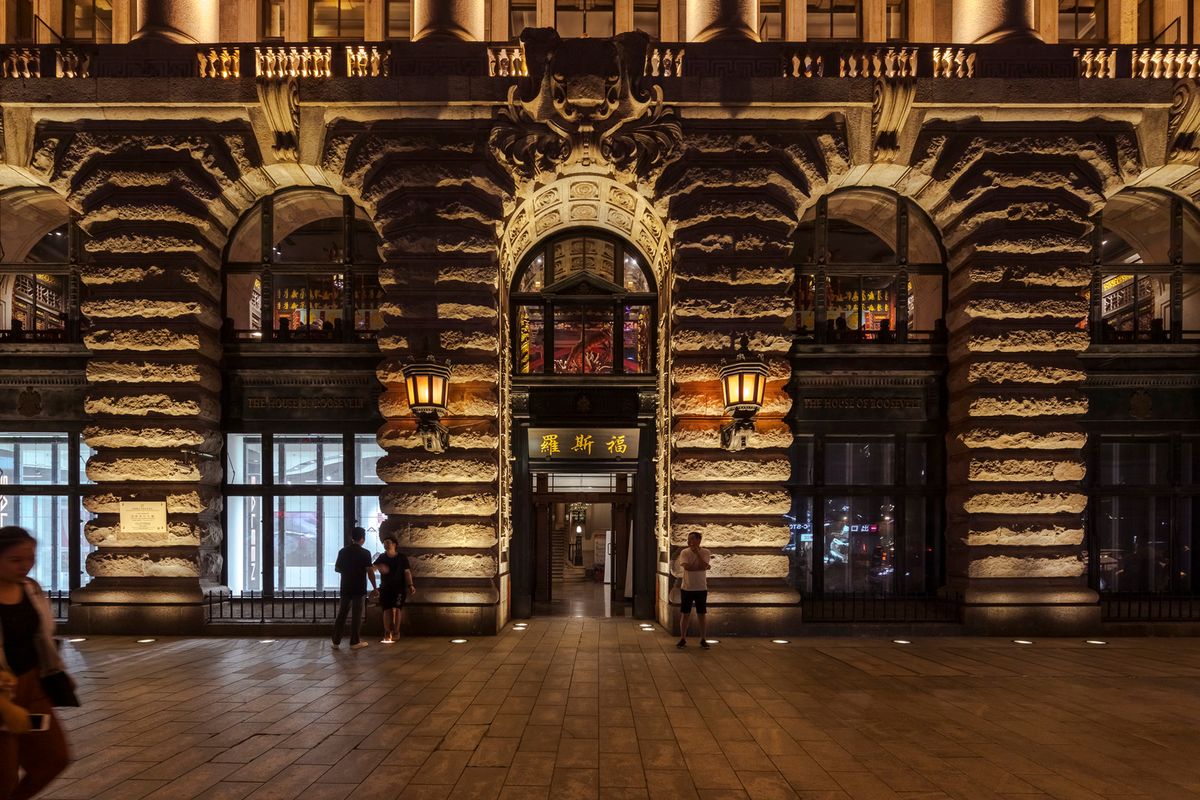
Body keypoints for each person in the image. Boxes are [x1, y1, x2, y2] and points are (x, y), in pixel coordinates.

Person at [0, 526, 71, 799]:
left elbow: (42, 635)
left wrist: (55, 670)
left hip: (33, 686)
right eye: (15, 560)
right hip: (2, 691)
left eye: (30, 558)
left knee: (54, 758)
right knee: (4, 775)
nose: (25, 566)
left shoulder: (31, 589)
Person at [332, 526, 377, 650]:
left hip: (345, 587)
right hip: (359, 588)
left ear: (352, 538)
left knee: (342, 614)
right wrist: (375, 587)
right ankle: (354, 641)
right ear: (362, 539)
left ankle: (336, 641)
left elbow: (337, 568)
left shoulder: (343, 551)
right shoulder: (365, 553)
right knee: (357, 615)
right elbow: (369, 571)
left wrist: (348, 570)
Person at [372, 535, 415, 644]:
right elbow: (373, 568)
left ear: (394, 544)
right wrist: (378, 567)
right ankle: (387, 631)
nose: (385, 544)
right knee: (386, 609)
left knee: (397, 609)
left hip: (399, 588)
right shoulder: (382, 557)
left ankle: (396, 631)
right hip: (385, 588)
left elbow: (407, 572)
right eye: (384, 542)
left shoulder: (401, 558)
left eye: (388, 542)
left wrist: (410, 585)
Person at [675, 531, 712, 649]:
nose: (689, 541)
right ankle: (682, 638)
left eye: (692, 539)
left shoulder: (706, 552)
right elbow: (687, 567)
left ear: (698, 540)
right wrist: (702, 567)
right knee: (685, 613)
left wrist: (698, 555)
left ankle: (703, 638)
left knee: (701, 614)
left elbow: (704, 565)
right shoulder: (684, 552)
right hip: (687, 588)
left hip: (701, 588)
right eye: (688, 539)